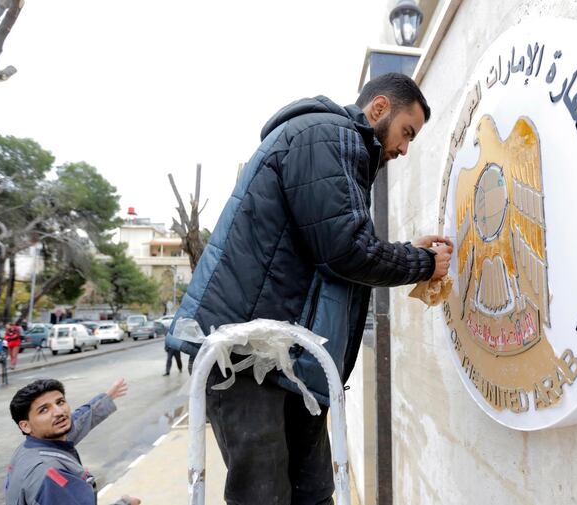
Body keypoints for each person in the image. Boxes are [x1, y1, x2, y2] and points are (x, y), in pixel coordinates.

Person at [166, 72, 452, 504]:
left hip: (288, 360)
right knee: (265, 495)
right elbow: (345, 249)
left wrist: (407, 251)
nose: (404, 148)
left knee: (315, 493)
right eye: (406, 132)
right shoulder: (324, 134)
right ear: (378, 108)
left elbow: (332, 243)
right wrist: (422, 263)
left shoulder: (339, 149)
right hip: (247, 359)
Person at [5, 378, 140, 505]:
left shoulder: (30, 447)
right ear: (25, 426)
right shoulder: (51, 476)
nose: (59, 412)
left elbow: (78, 420)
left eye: (60, 402)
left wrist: (106, 398)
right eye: (44, 410)